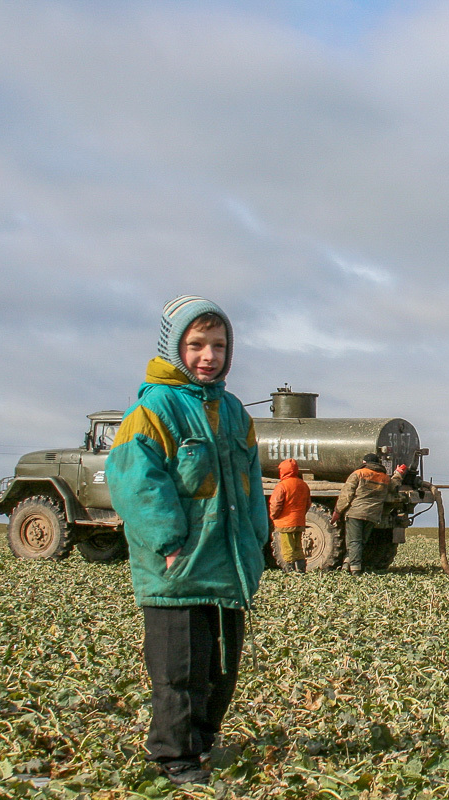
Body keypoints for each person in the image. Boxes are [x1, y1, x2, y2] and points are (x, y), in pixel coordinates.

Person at [105, 295, 267, 786]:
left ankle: (202, 743)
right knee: (180, 671)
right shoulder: (153, 408)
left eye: (218, 345)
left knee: (221, 668)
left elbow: (251, 481)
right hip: (177, 566)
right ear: (174, 347)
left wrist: (257, 539)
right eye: (197, 344)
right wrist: (168, 541)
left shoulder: (235, 411)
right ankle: (173, 757)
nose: (209, 356)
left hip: (227, 563)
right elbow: (134, 480)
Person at [330, 453, 406, 573]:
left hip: (355, 513)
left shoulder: (358, 474)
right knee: (361, 542)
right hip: (373, 515)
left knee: (354, 541)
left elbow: (346, 495)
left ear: (365, 463)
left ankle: (355, 569)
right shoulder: (384, 477)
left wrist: (338, 511)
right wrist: (398, 473)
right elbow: (394, 485)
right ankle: (346, 565)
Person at [269, 458, 311, 572]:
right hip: (299, 521)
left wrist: (273, 516)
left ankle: (289, 570)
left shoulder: (282, 486)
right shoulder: (303, 485)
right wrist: (300, 515)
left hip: (285, 522)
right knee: (298, 547)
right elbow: (308, 504)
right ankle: (301, 570)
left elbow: (275, 504)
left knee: (287, 548)